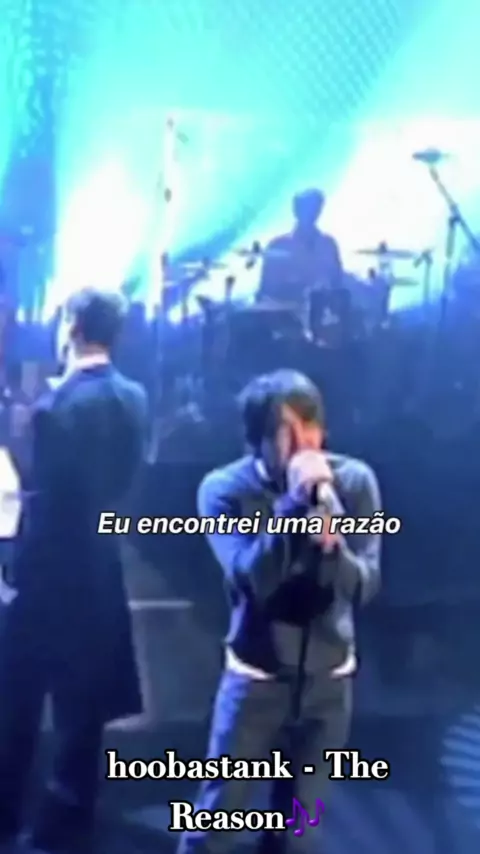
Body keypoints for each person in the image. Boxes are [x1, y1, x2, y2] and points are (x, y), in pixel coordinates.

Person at [179, 369, 381, 854]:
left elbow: (365, 586)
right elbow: (252, 579)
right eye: (287, 432)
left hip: (328, 686)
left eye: (311, 426)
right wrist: (290, 506)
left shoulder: (354, 482)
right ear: (259, 440)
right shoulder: (224, 490)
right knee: (216, 826)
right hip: (257, 680)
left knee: (299, 833)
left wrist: (334, 549)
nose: (304, 444)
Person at [0, 287, 148, 854]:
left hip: (49, 579)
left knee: (18, 704)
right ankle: (70, 827)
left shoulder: (55, 407)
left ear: (71, 327)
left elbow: (44, 504)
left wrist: (15, 574)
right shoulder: (134, 397)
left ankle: (11, 820)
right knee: (83, 714)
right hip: (101, 572)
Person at [258, 189, 343, 321]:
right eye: (306, 208)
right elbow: (267, 291)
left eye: (315, 207)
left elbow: (338, 282)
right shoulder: (278, 246)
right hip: (287, 317)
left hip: (324, 317)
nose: (311, 213)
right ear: (296, 211)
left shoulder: (328, 244)